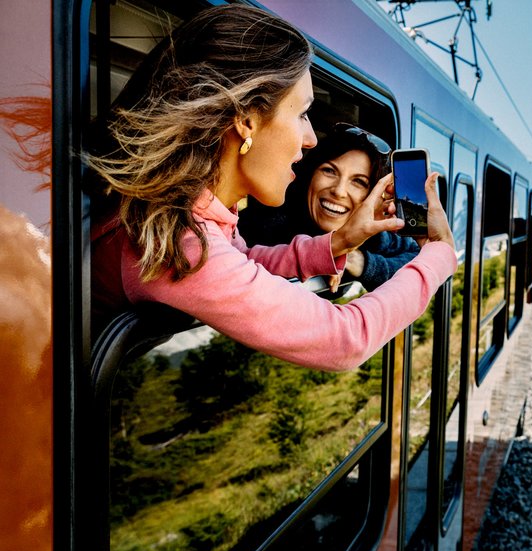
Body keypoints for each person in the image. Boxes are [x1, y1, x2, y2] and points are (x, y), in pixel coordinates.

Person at [86, 5, 455, 372]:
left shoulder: (185, 212)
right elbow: (345, 338)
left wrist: (339, 242)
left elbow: (245, 264)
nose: (310, 139)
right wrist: (440, 254)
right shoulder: (181, 243)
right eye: (302, 114)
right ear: (246, 121)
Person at [239, 124, 420, 292]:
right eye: (329, 171)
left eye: (358, 182)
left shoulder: (370, 235)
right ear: (310, 175)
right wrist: (323, 253)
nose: (339, 191)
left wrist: (358, 261)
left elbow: (417, 257)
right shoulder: (261, 225)